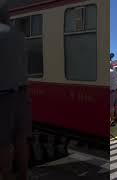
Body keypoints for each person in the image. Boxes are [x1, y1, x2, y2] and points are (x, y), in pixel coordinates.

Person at [0, 2, 31, 180]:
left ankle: (6, 176)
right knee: (21, 140)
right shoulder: (19, 35)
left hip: (3, 96)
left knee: (3, 143)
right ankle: (23, 175)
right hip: (22, 94)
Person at [110, 61, 117, 127]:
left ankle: (112, 121)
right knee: (116, 106)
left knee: (111, 107)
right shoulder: (115, 72)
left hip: (111, 91)